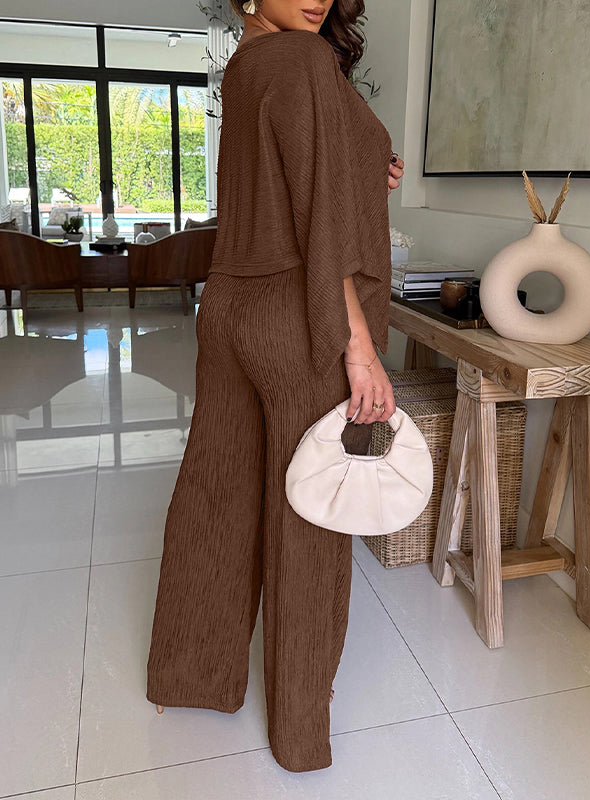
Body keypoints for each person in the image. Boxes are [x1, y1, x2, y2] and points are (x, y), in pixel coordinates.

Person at [146, 0, 405, 773]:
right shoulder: (304, 58)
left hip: (230, 304)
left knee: (217, 492)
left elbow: (294, 183)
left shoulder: (247, 61)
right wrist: (357, 347)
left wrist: (365, 168)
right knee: (309, 518)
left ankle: (191, 675)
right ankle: (298, 731)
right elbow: (318, 216)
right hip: (298, 316)